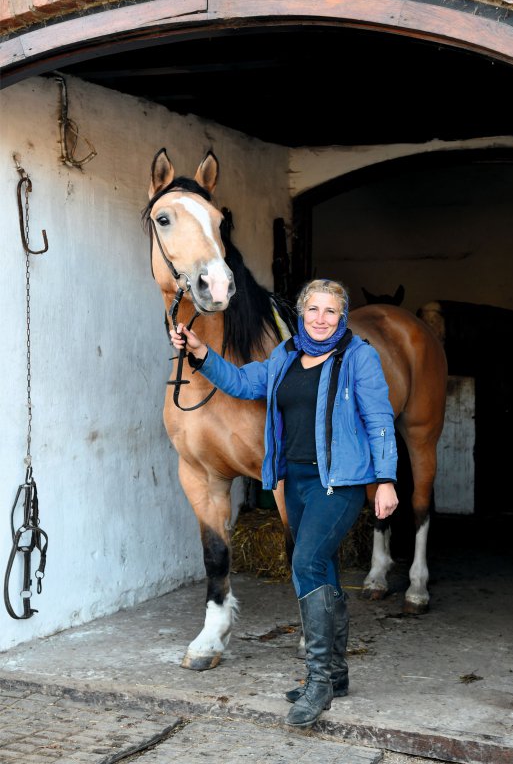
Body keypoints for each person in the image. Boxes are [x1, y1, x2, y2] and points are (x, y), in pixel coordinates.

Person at [170, 278, 399, 728]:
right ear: (300, 313)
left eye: (330, 311)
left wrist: (386, 479)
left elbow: (379, 420)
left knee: (307, 561)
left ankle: (317, 682)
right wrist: (199, 352)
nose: (320, 319)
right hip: (295, 479)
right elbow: (240, 381)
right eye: (313, 310)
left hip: (340, 482)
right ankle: (335, 674)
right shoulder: (286, 355)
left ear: (342, 316)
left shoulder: (359, 357)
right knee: (325, 568)